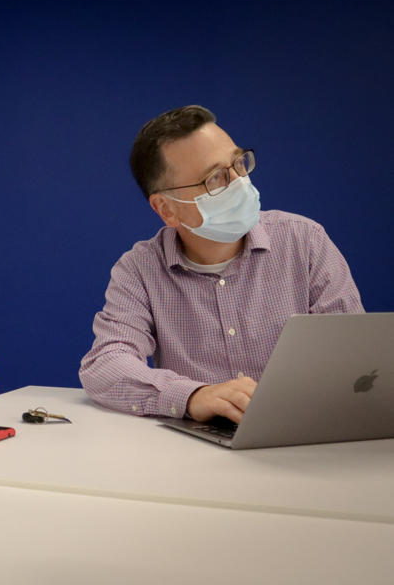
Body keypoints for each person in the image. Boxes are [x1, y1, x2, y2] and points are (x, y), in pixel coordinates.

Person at [79, 105, 363, 424]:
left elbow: (356, 357)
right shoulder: (140, 269)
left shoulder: (305, 241)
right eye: (216, 178)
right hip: (199, 449)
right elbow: (105, 364)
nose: (240, 182)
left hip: (304, 437)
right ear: (167, 209)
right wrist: (193, 396)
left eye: (239, 163)